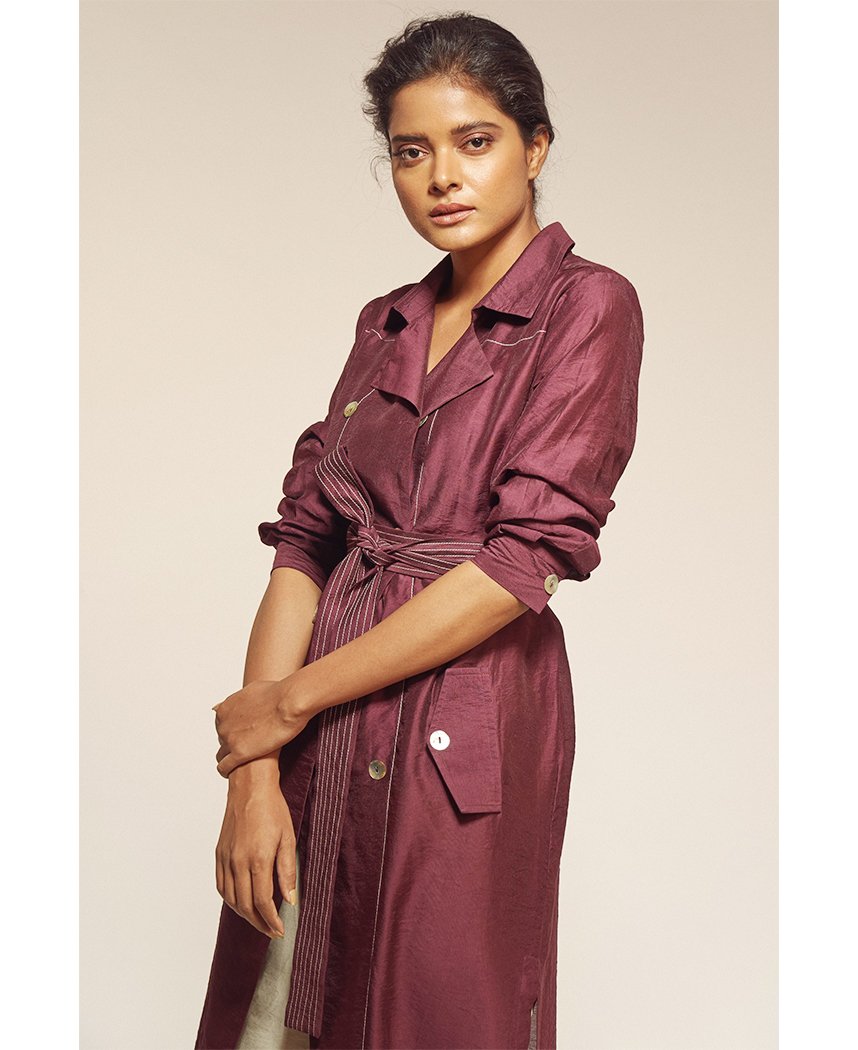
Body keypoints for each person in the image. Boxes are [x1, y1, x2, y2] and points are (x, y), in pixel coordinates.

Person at [194, 11, 644, 1050]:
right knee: (272, 1013)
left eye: (474, 142)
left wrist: (286, 703)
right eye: (411, 151)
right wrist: (254, 773)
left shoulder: (590, 307)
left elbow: (522, 562)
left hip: (460, 729)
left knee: (436, 1011)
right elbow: (307, 541)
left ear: (536, 147)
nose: (442, 176)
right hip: (315, 733)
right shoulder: (385, 321)